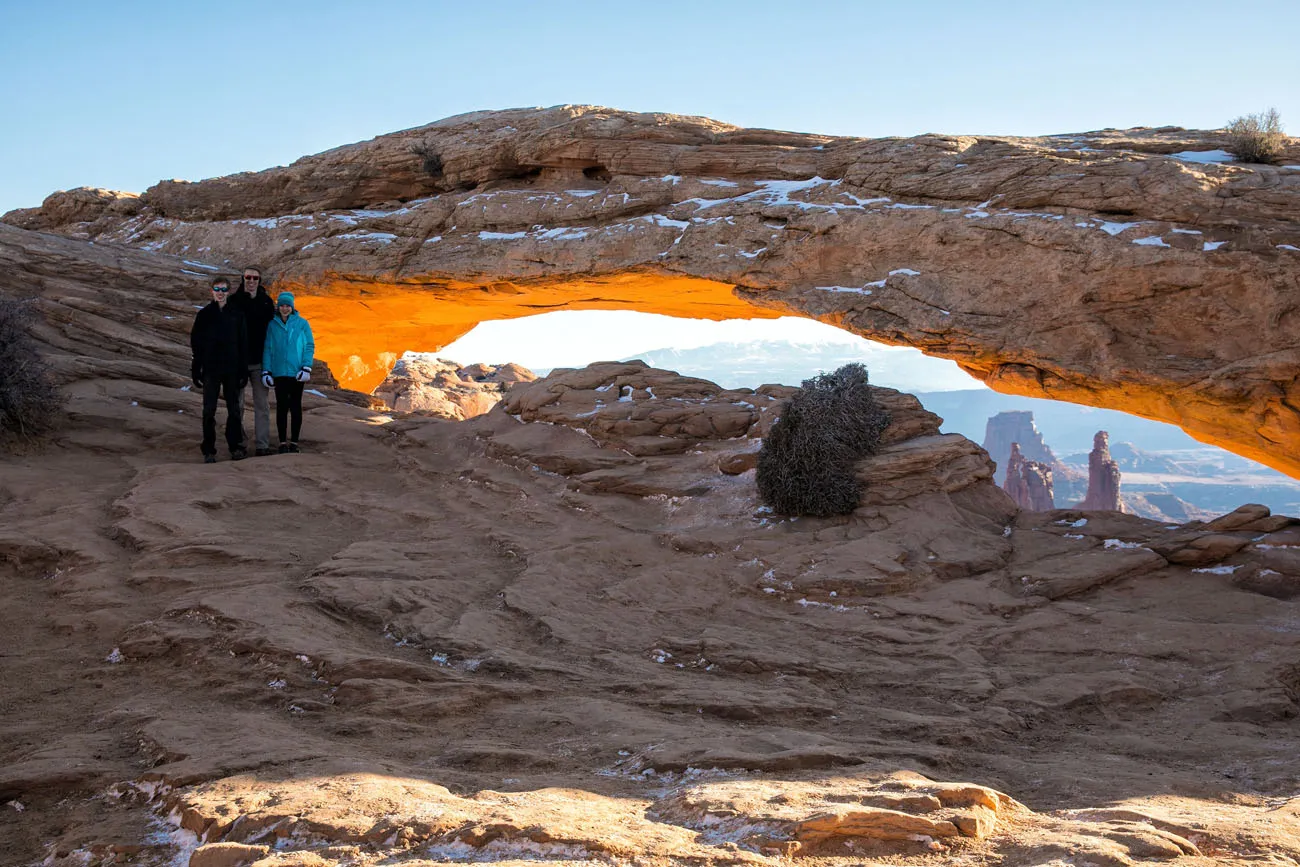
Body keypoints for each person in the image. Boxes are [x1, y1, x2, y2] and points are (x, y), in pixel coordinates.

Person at [190, 277, 249, 462]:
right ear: (212, 291)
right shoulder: (204, 315)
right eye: (217, 289)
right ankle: (209, 450)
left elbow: (243, 344)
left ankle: (235, 447)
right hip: (211, 369)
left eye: (224, 289)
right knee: (209, 410)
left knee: (234, 410)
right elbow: (196, 343)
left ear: (228, 292)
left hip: (231, 369)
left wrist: (243, 370)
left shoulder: (237, 315)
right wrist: (196, 368)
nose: (220, 292)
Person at [228, 266, 276, 455]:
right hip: (237, 362)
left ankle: (262, 446)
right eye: (248, 277)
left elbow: (272, 333)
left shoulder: (266, 303)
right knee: (236, 405)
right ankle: (239, 445)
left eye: (255, 278)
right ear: (243, 279)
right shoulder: (233, 301)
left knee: (262, 405)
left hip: (259, 361)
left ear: (259, 280)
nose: (251, 281)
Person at [261, 292, 315, 454]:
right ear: (278, 307)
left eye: (288, 306)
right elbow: (267, 348)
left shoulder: (302, 324)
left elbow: (309, 346)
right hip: (279, 373)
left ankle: (295, 443)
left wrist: (306, 367)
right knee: (282, 407)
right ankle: (282, 443)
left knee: (296, 407)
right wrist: (266, 370)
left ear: (292, 307)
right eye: (282, 305)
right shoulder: (272, 325)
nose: (285, 308)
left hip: (297, 372)